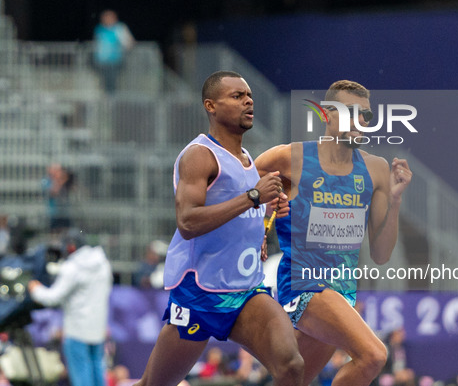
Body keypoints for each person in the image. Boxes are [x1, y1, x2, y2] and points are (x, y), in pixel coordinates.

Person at [134, 71, 303, 386]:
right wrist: (253, 197)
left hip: (246, 289)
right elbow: (187, 223)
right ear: (210, 105)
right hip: (201, 293)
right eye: (237, 96)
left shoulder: (245, 158)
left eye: (249, 95)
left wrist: (261, 228)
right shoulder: (199, 155)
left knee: (291, 366)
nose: (248, 100)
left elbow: (239, 211)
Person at [254, 80, 413, 386]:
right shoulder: (290, 157)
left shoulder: (376, 169)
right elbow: (244, 186)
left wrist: (394, 201)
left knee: (292, 380)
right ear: (327, 115)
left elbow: (380, 254)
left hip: (342, 291)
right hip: (303, 284)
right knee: (374, 356)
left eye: (365, 115)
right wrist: (260, 227)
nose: (359, 121)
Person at [28, 228, 113, 386]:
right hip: (97, 329)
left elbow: (53, 297)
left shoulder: (72, 267)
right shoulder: (103, 264)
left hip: (77, 331)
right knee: (97, 373)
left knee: (81, 377)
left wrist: (35, 289)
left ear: (71, 246)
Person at [93, 9, 135, 94]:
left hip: (114, 61)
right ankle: (106, 100)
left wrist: (124, 48)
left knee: (112, 84)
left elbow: (129, 42)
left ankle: (111, 103)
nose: (106, 19)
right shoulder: (99, 29)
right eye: (104, 17)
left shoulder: (119, 28)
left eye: (108, 17)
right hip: (100, 62)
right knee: (103, 83)